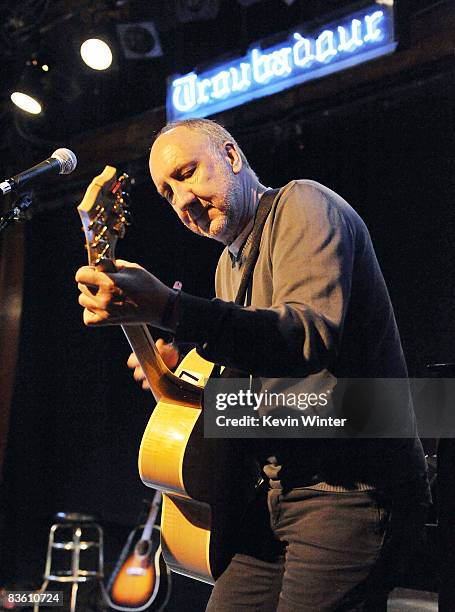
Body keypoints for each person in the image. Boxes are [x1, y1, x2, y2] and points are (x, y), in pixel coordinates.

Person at [76, 118, 430, 611]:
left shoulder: (303, 203)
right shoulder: (228, 265)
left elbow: (307, 337)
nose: (181, 200)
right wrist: (184, 373)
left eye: (188, 173)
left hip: (349, 490)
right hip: (274, 496)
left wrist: (171, 311)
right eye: (166, 192)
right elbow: (264, 401)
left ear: (231, 157)